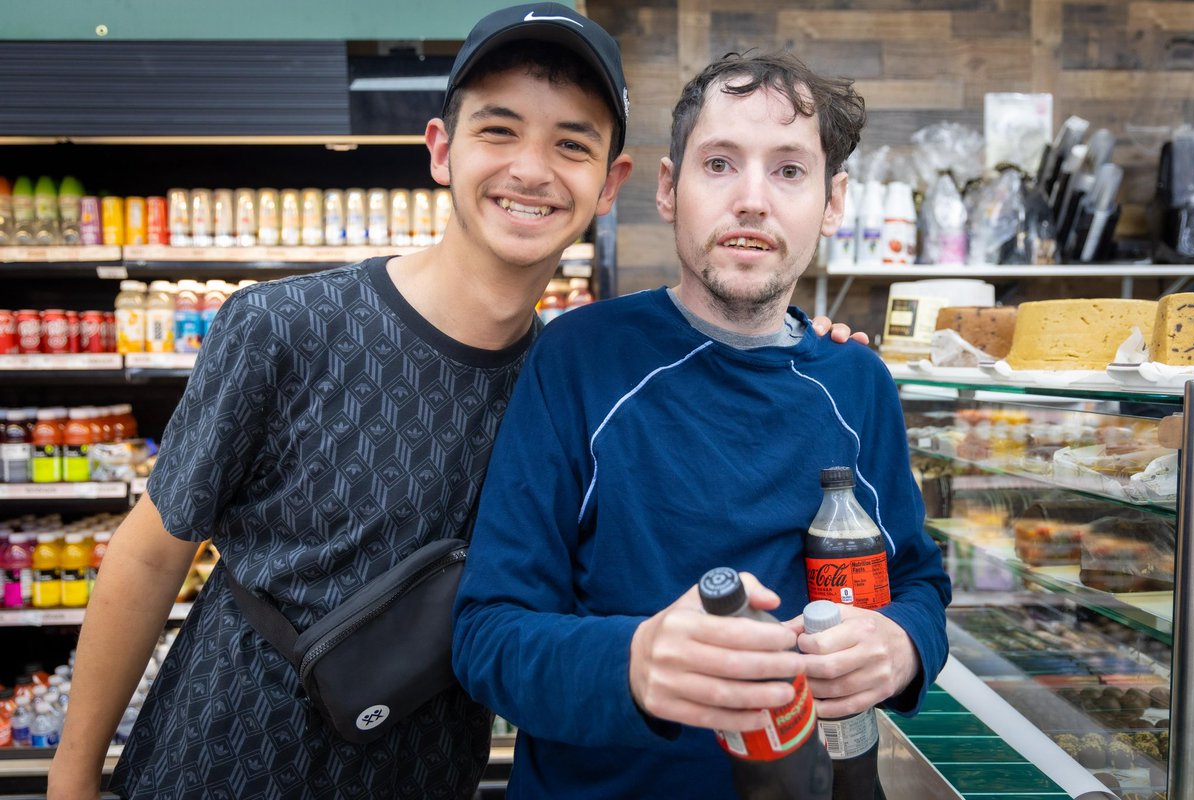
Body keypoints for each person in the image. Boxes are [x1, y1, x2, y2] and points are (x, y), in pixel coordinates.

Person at [46, 7, 859, 799]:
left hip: (428, 774)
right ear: (441, 150)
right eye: (498, 130)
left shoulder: (569, 378)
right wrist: (72, 775)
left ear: (612, 184)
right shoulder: (283, 327)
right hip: (222, 761)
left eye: (570, 144)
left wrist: (803, 340)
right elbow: (152, 553)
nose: (532, 171)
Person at [452, 51, 953, 799]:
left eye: (789, 170)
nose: (752, 200)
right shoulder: (580, 358)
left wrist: (904, 645)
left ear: (833, 201)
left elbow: (917, 580)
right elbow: (487, 634)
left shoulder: (859, 382)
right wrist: (635, 660)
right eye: (719, 164)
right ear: (667, 188)